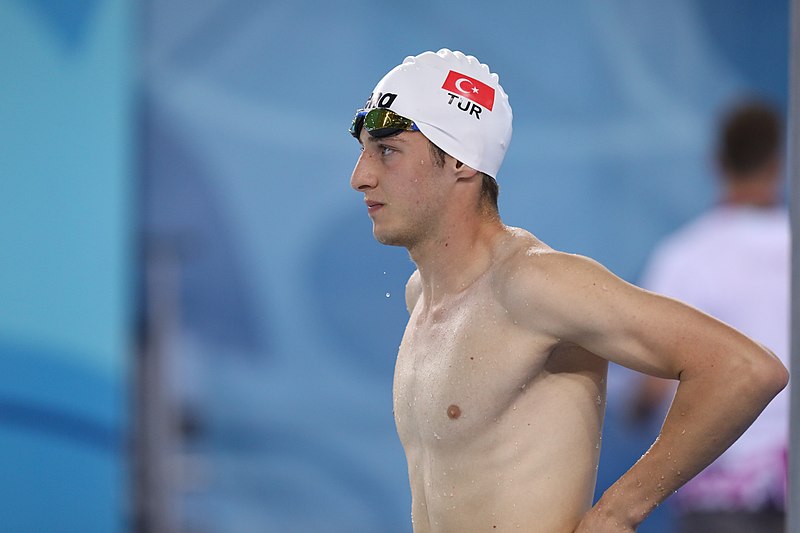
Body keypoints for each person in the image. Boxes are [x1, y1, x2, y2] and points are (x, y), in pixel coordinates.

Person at [347, 49, 788, 532]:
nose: (361, 176)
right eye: (365, 151)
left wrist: (618, 512)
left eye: (387, 150)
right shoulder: (422, 296)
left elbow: (744, 369)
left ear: (459, 161)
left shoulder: (531, 285)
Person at [633, 100, 790, 533]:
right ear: (777, 165)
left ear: (718, 163)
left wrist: (635, 411)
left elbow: (654, 387)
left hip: (721, 489)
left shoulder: (685, 259)